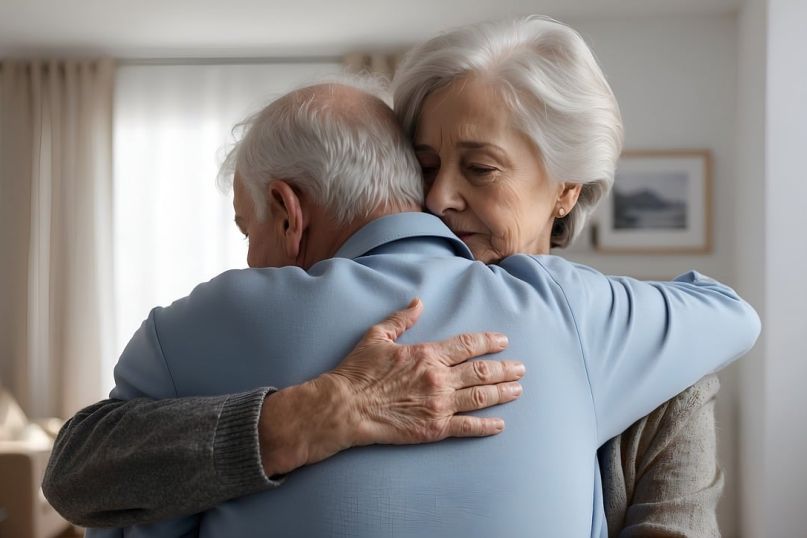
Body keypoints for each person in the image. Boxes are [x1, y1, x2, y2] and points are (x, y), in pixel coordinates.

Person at [44, 17, 750, 536]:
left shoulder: (632, 341)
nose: (439, 198)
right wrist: (310, 415)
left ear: (566, 188)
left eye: (478, 168)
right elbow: (87, 476)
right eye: (422, 166)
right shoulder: (276, 315)